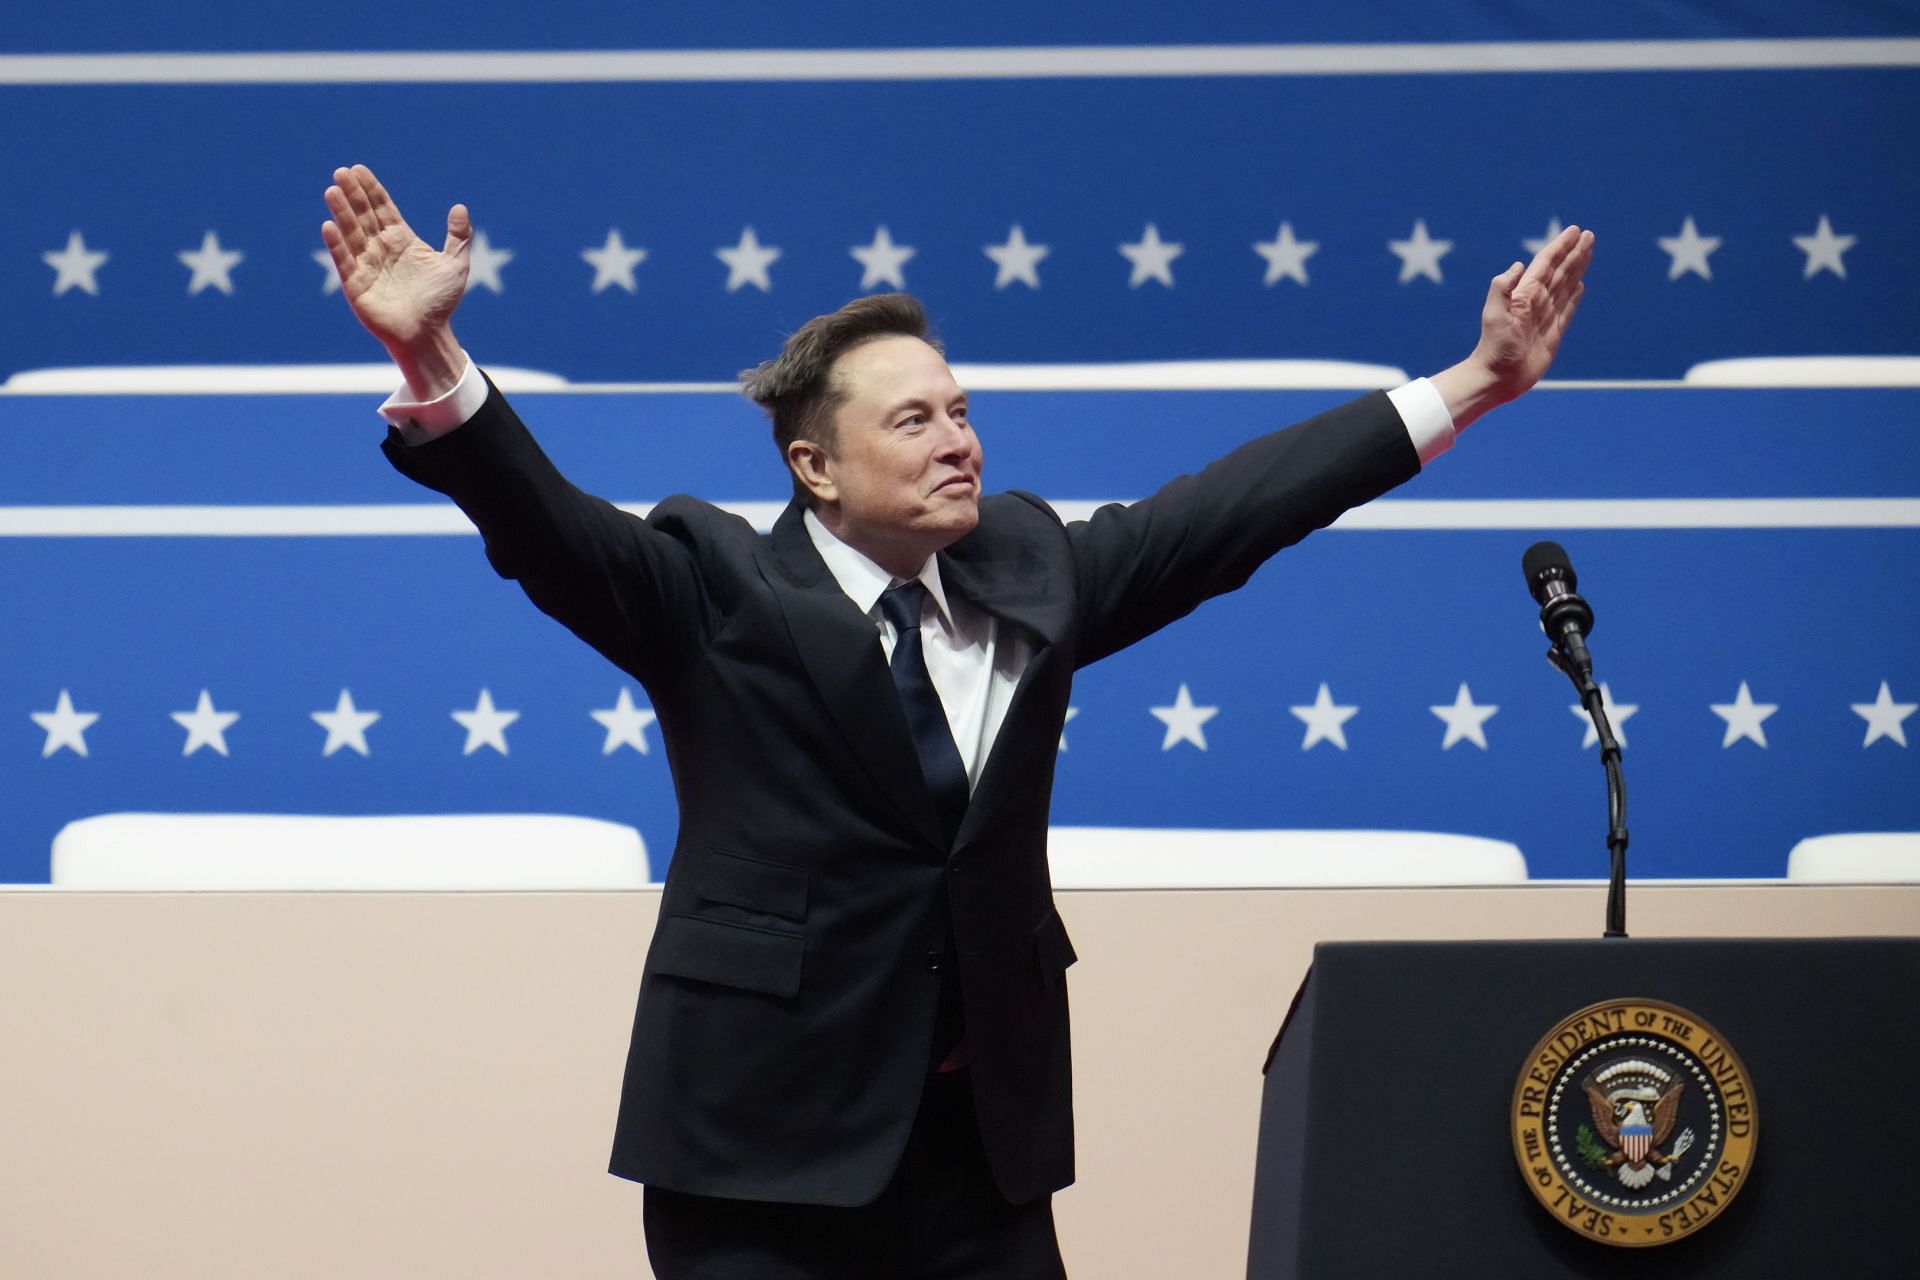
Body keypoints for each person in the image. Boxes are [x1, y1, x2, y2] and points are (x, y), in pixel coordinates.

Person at [320, 163, 1592, 1278]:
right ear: (816, 466)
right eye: (916, 419)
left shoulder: (1034, 570)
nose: (960, 442)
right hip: (761, 1165)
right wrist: (430, 362)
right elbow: (543, 525)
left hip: (983, 1163)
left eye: (964, 410)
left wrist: (1472, 384)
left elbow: (1234, 512)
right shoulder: (713, 585)